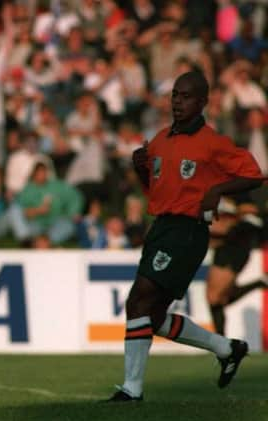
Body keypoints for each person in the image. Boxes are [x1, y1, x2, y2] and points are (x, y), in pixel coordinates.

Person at [107, 71, 264, 402]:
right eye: (175, 95)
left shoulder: (213, 143)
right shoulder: (161, 139)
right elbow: (156, 193)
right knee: (151, 315)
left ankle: (132, 389)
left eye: (186, 96)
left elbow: (254, 175)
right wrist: (140, 170)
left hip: (188, 231)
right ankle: (226, 348)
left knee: (138, 299)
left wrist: (217, 190)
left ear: (203, 102)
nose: (178, 102)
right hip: (162, 228)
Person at [207, 200, 267, 335]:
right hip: (228, 247)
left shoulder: (246, 191)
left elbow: (249, 210)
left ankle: (220, 343)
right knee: (219, 299)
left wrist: (235, 211)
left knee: (214, 298)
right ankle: (220, 343)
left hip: (234, 248)